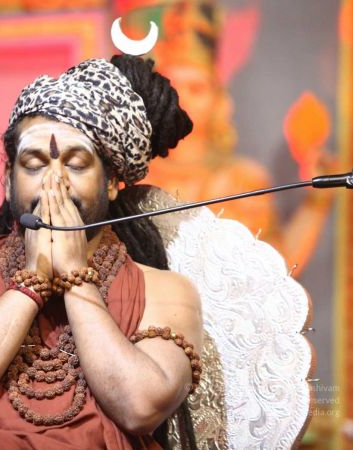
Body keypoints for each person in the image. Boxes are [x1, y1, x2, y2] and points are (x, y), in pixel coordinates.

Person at [0, 55, 203, 449]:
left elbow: (140, 407)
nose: (54, 183)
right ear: (8, 180)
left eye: (76, 165)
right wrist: (31, 282)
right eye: (34, 164)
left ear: (111, 182)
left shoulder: (166, 291)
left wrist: (77, 278)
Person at [127, 0, 336, 274]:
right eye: (173, 86)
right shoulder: (131, 177)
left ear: (218, 100)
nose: (182, 99)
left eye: (196, 88)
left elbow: (275, 268)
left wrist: (316, 203)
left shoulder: (243, 180)